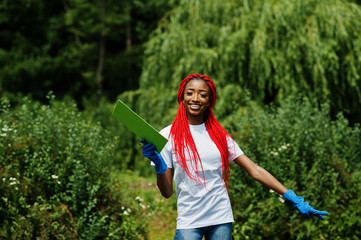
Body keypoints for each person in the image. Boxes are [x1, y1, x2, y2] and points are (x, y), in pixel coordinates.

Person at [140, 73, 328, 240]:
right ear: (182, 96)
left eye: (202, 94)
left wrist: (292, 197)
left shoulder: (219, 135)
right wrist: (159, 165)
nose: (195, 98)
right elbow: (166, 193)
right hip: (189, 220)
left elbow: (254, 170)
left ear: (209, 101)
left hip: (221, 218)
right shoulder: (168, 135)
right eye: (190, 93)